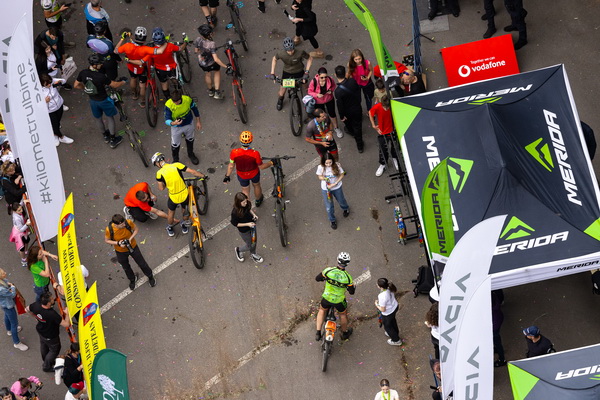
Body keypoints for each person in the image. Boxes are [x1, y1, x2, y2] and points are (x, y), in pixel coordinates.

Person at [74, 53, 126, 148]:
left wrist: (85, 88)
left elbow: (76, 85)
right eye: (100, 63)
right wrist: (123, 82)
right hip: (104, 100)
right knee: (110, 118)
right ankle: (113, 139)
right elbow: (114, 85)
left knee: (98, 119)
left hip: (93, 101)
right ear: (95, 65)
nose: (101, 65)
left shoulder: (83, 72)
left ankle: (105, 136)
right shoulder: (101, 76)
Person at [151, 152, 206, 237]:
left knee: (171, 213)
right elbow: (193, 172)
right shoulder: (176, 165)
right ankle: (184, 225)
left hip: (173, 197)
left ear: (157, 163)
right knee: (185, 210)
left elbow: (161, 188)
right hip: (184, 194)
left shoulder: (159, 173)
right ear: (164, 159)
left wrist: (167, 184)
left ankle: (170, 227)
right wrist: (203, 176)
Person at [115, 27, 168, 107]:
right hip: (141, 68)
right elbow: (160, 51)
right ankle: (143, 102)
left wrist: (122, 39)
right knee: (142, 86)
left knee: (133, 78)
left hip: (131, 67)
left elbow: (116, 50)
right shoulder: (146, 49)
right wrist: (165, 43)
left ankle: (134, 95)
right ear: (145, 39)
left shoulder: (127, 46)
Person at [104, 214, 156, 290]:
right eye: (122, 224)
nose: (124, 225)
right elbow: (107, 240)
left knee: (142, 263)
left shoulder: (128, 222)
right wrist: (118, 243)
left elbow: (136, 229)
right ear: (116, 225)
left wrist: (130, 239)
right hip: (120, 251)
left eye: (124, 223)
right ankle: (132, 279)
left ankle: (150, 276)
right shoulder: (109, 229)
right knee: (126, 267)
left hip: (133, 246)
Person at [223, 131, 272, 207]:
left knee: (245, 190)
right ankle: (258, 200)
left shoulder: (234, 152)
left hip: (242, 176)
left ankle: (248, 206)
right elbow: (261, 167)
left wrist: (227, 176)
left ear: (240, 140)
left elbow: (231, 165)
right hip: (254, 174)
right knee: (256, 185)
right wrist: (271, 163)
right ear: (251, 141)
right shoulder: (255, 153)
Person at [315, 252, 355, 341]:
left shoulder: (328, 271)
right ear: (347, 263)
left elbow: (317, 278)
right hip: (339, 301)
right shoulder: (348, 277)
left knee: (322, 310)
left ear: (337, 260)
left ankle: (318, 333)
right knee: (343, 314)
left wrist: (324, 278)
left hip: (326, 298)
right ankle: (345, 333)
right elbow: (351, 292)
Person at [26, 292, 69, 372]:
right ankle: (47, 366)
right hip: (51, 335)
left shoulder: (36, 305)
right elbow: (66, 324)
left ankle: (45, 359)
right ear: (48, 303)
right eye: (52, 299)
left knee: (44, 345)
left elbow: (27, 309)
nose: (53, 299)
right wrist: (67, 314)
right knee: (54, 350)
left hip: (41, 331)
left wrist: (36, 318)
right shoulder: (52, 314)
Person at [269, 37, 313, 111]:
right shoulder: (281, 53)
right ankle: (280, 100)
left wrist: (307, 71)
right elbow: (274, 59)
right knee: (282, 90)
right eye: (288, 51)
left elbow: (310, 58)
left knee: (305, 85)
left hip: (299, 71)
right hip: (287, 72)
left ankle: (310, 97)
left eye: (292, 50)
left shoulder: (300, 52)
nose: (290, 52)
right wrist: (272, 72)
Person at [164, 89, 202, 165]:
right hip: (176, 127)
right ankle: (175, 160)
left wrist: (198, 121)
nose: (174, 103)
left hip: (188, 124)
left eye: (176, 102)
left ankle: (191, 154)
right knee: (175, 144)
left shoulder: (187, 100)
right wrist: (173, 123)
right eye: (173, 101)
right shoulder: (168, 104)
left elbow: (195, 109)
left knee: (190, 139)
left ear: (180, 98)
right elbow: (166, 119)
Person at [151, 27, 189, 100]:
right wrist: (185, 42)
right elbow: (180, 48)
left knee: (164, 83)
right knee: (174, 78)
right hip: (171, 67)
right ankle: (178, 88)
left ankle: (168, 97)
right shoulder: (170, 46)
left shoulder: (151, 50)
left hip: (160, 69)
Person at [194, 24, 230, 100]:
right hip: (211, 63)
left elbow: (196, 50)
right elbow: (216, 59)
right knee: (217, 71)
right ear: (209, 34)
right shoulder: (211, 44)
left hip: (202, 63)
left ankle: (210, 91)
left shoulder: (197, 39)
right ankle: (217, 92)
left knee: (207, 74)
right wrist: (226, 66)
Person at [334, 65, 364, 153]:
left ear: (335, 75)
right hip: (357, 107)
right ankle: (359, 145)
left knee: (350, 125)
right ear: (345, 73)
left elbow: (340, 105)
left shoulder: (338, 91)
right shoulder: (352, 81)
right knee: (358, 126)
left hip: (347, 112)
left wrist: (341, 116)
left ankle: (353, 134)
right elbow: (358, 91)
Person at [316, 152, 349, 230]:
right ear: (323, 162)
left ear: (332, 161)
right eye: (326, 163)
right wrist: (325, 178)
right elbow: (319, 176)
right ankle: (332, 220)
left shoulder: (337, 165)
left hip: (337, 187)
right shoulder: (320, 167)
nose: (328, 165)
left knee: (341, 200)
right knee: (329, 207)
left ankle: (345, 208)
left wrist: (335, 183)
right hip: (326, 189)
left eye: (330, 162)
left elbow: (342, 174)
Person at [369, 96, 399, 177]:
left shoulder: (393, 105)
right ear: (381, 104)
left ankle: (394, 158)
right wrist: (373, 125)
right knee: (382, 149)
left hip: (393, 130)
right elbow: (370, 113)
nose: (386, 109)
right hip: (382, 132)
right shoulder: (377, 106)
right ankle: (383, 164)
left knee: (395, 147)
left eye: (387, 107)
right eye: (384, 107)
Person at [40, 74, 74, 146]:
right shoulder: (39, 91)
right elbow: (37, 105)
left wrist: (59, 82)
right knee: (55, 125)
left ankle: (55, 134)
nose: (49, 85)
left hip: (59, 105)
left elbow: (64, 81)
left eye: (50, 82)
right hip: (50, 110)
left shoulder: (52, 82)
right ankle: (61, 137)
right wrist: (44, 101)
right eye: (47, 84)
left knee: (57, 122)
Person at [307, 67, 342, 137]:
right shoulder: (314, 81)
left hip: (329, 99)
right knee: (321, 116)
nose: (324, 79)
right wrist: (316, 95)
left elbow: (333, 86)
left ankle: (336, 128)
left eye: (325, 77)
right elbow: (309, 91)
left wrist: (331, 91)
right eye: (322, 77)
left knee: (332, 114)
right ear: (318, 75)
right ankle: (325, 128)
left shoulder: (330, 79)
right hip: (318, 102)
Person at [231, 192, 264, 263]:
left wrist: (254, 215)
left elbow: (249, 209)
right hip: (244, 231)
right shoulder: (235, 212)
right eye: (243, 202)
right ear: (238, 203)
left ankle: (253, 254)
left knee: (254, 242)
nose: (246, 203)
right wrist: (247, 224)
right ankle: (238, 250)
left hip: (252, 226)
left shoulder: (247, 204)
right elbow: (235, 224)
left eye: (246, 201)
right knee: (250, 245)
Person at [0, 268, 28, 351]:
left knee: (7, 316)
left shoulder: (2, 281)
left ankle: (9, 330)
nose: (5, 273)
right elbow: (12, 294)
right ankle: (17, 343)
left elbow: (6, 282)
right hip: (8, 305)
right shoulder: (1, 289)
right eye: (3, 273)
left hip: (4, 305)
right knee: (14, 323)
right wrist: (12, 287)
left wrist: (9, 284)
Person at [375, 278, 402, 345]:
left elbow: (383, 309)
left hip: (388, 313)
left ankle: (396, 340)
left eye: (377, 284)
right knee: (393, 321)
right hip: (394, 307)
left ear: (381, 287)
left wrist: (376, 305)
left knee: (388, 326)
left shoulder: (382, 296)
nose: (376, 285)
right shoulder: (389, 288)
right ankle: (395, 332)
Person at [10, 202, 31, 267]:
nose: (21, 211)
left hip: (23, 231)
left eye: (21, 208)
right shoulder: (17, 219)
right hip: (19, 234)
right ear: (15, 211)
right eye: (19, 210)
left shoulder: (17, 211)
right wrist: (27, 224)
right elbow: (21, 229)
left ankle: (26, 251)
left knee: (27, 240)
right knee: (21, 247)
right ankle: (23, 260)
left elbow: (22, 203)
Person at [492, 290, 507, 367]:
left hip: (494, 325)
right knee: (497, 341)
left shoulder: (490, 308)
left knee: (497, 341)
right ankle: (498, 350)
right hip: (498, 319)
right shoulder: (495, 298)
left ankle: (502, 359)